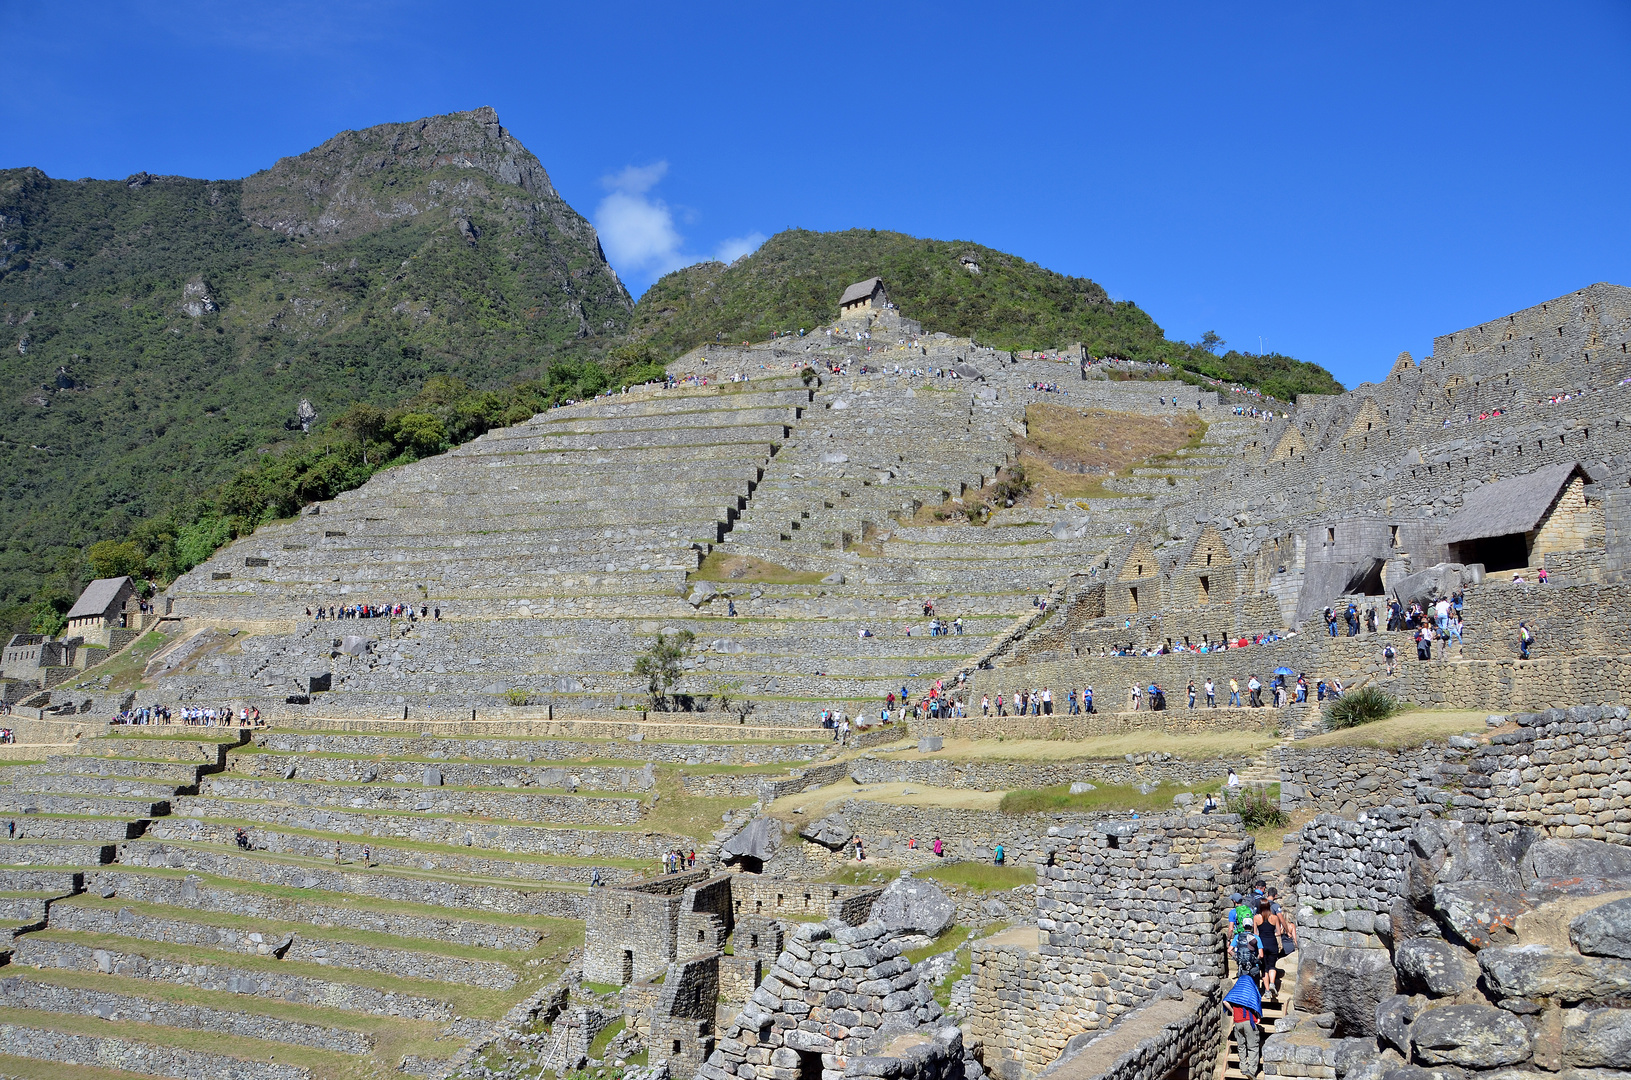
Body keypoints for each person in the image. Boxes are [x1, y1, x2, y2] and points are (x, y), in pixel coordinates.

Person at [1225, 974, 1264, 1079]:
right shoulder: (1251, 991)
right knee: (1253, 1047)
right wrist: (1259, 1016)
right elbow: (1256, 1005)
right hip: (1249, 1022)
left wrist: (1233, 1011)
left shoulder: (1235, 991)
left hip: (1237, 1022)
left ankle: (1243, 1067)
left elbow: (1225, 1001)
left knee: (1241, 1045)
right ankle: (1251, 1070)